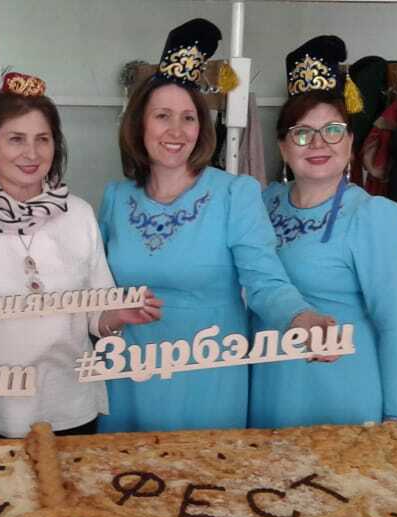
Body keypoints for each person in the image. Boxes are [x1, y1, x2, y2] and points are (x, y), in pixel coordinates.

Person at [98, 18, 330, 433]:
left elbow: (264, 281)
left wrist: (301, 317)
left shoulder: (235, 193)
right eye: (162, 116)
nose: (176, 131)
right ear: (139, 124)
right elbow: (95, 293)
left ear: (202, 127)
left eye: (188, 118)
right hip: (127, 375)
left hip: (207, 378)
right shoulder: (115, 198)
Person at [0, 72, 161, 439]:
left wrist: (120, 314)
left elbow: (98, 313)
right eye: (16, 139)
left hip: (70, 408)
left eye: (42, 139)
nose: (31, 153)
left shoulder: (78, 213)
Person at [250, 35, 397, 434]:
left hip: (340, 391)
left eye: (333, 130)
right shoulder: (261, 204)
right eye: (302, 133)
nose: (318, 143)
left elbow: (395, 324)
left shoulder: (371, 216)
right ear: (283, 147)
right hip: (268, 390)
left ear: (351, 141)